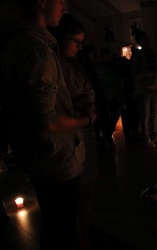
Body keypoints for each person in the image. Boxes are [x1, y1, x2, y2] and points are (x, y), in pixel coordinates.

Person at [0, 1, 96, 249]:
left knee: (57, 227)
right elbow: (47, 120)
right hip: (56, 160)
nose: (64, 7)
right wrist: (85, 119)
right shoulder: (35, 48)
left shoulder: (19, 43)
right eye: (60, 0)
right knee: (60, 232)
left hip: (43, 157)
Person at [47, 13, 98, 250]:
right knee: (70, 197)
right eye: (75, 42)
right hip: (67, 137)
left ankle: (84, 232)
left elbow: (88, 89)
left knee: (87, 187)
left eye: (81, 43)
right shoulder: (51, 66)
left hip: (84, 131)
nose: (79, 47)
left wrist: (88, 105)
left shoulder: (77, 64)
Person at [131, 30, 157, 148]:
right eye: (144, 40)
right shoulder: (137, 55)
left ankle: (155, 135)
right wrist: (149, 72)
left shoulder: (151, 53)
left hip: (155, 86)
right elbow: (135, 73)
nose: (147, 42)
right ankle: (146, 137)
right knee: (145, 114)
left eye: (147, 39)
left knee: (154, 113)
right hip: (144, 87)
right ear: (140, 42)